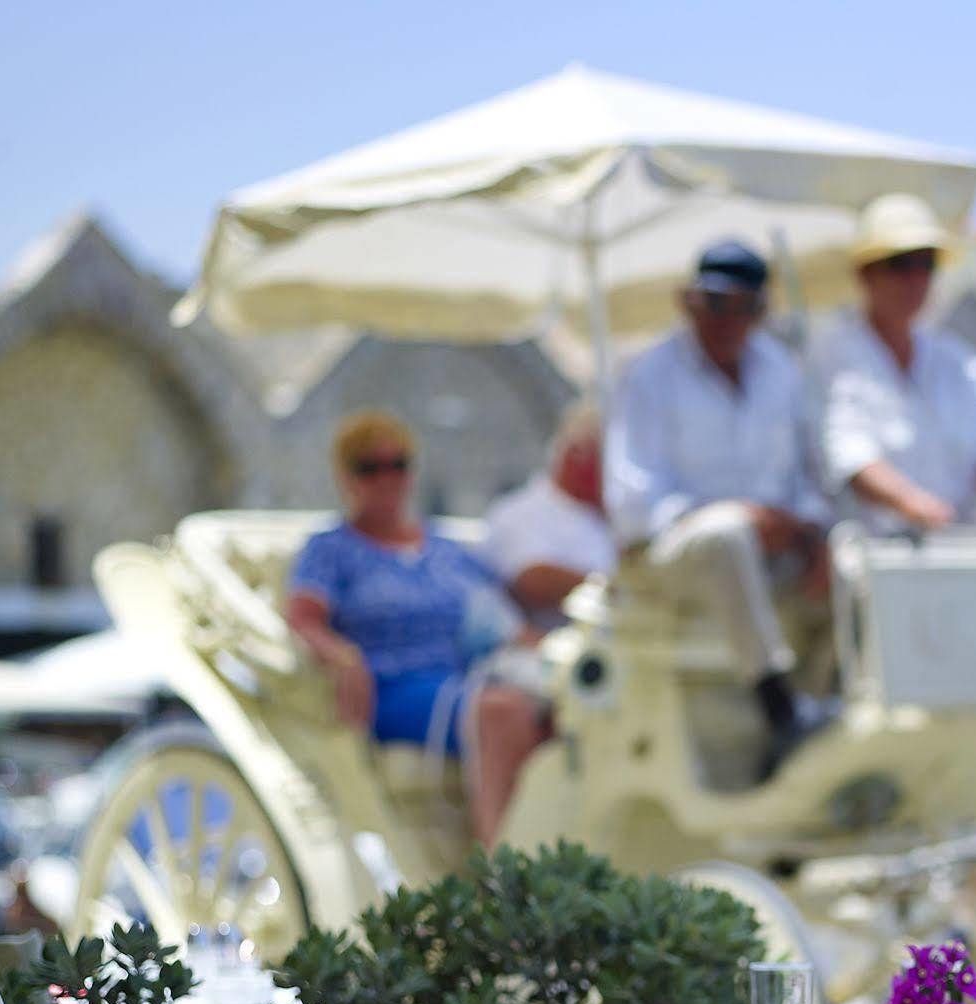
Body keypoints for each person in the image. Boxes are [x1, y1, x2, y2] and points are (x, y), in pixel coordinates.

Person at [605, 239, 832, 774]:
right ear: (690, 304)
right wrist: (745, 516)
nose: (726, 320)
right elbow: (636, 504)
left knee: (854, 558)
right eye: (714, 304)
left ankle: (830, 705)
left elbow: (810, 477)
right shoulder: (648, 376)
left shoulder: (783, 373)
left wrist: (811, 533)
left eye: (741, 307)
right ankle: (780, 709)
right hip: (671, 555)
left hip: (770, 551)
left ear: (759, 312)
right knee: (726, 535)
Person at [285, 410, 543, 846]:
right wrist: (344, 657)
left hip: (470, 677)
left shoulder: (445, 549)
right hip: (392, 689)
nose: (387, 478)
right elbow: (303, 618)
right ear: (346, 477)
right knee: (502, 711)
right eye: (370, 467)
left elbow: (500, 618)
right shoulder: (331, 549)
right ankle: (502, 866)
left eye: (397, 464)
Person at [813, 192, 976, 531]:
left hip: (961, 550)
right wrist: (914, 506)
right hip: (876, 551)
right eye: (900, 264)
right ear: (865, 274)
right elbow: (849, 455)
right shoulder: (831, 356)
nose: (915, 279)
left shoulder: (963, 363)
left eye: (926, 264)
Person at [482, 401, 616, 631]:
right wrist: (619, 590)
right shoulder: (519, 512)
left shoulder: (611, 518)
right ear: (578, 455)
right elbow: (534, 581)